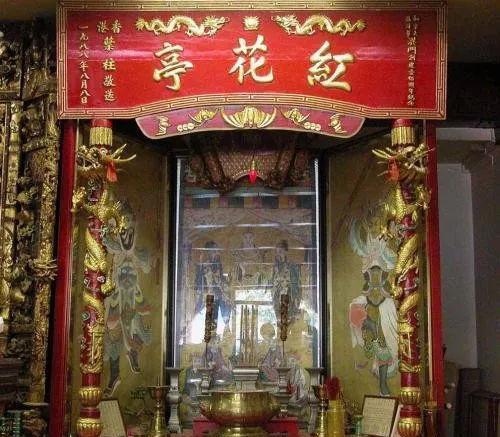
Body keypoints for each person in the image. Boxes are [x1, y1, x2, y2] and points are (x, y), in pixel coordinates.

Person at [103, 201, 152, 397]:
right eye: (124, 223)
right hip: (117, 293)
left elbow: (146, 265)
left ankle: (134, 353)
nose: (127, 229)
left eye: (130, 222)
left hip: (132, 292)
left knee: (138, 325)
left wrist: (135, 259)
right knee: (113, 332)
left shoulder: (136, 251)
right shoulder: (114, 244)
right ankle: (114, 374)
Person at [270, 240, 301, 323]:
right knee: (279, 315)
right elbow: (272, 281)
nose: (278, 254)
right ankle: (281, 322)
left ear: (285, 251)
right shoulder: (275, 266)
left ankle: (286, 322)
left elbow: (296, 283)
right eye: (277, 252)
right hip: (277, 293)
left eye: (280, 251)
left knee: (286, 316)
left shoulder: (291, 265)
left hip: (287, 293)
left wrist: (293, 294)